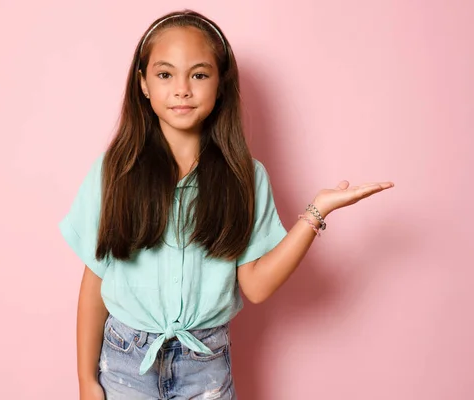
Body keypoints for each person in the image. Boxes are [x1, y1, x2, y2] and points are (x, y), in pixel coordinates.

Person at [59, 9, 394, 400]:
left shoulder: (245, 177)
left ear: (220, 85)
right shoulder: (113, 172)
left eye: (199, 74)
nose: (182, 88)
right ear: (143, 84)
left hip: (205, 367)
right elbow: (94, 282)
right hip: (124, 362)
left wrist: (316, 212)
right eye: (165, 74)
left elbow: (256, 285)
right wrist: (86, 380)